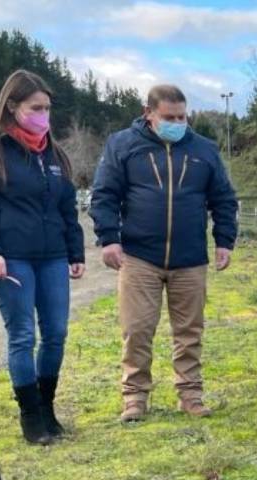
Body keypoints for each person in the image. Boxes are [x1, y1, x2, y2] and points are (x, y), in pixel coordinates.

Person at [90, 85, 238, 423]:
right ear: (149, 114)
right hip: (139, 256)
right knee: (137, 329)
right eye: (168, 117)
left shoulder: (205, 150)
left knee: (190, 331)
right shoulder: (123, 145)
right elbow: (105, 195)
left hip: (190, 258)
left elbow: (224, 199)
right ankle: (135, 398)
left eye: (181, 117)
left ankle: (190, 394)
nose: (176, 122)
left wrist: (224, 240)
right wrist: (109, 238)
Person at [0, 70, 85, 445]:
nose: (44, 115)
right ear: (12, 106)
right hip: (10, 257)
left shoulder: (53, 153)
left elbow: (66, 206)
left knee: (56, 334)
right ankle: (30, 417)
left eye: (48, 108)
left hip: (53, 257)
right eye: (36, 107)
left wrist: (75, 251)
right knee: (23, 334)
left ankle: (47, 407)